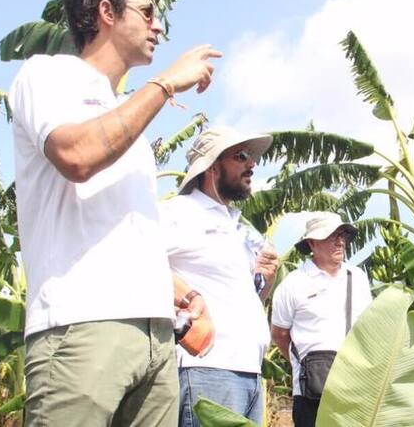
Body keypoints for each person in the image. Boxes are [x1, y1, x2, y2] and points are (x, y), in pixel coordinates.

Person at [7, 0, 221, 426]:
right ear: (106, 11)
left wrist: (176, 290)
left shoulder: (127, 121)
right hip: (80, 330)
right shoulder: (47, 74)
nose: (158, 25)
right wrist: (164, 84)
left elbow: (119, 228)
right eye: (147, 13)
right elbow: (76, 155)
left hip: (154, 340)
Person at [159, 126, 280, 426]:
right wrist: (187, 297)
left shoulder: (237, 228)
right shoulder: (178, 212)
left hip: (249, 371)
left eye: (251, 157)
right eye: (241, 156)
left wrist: (266, 282)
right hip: (205, 370)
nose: (251, 164)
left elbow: (241, 300)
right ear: (212, 166)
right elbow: (138, 259)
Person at [270, 212, 373, 427]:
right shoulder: (293, 284)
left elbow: (368, 329)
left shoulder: (358, 278)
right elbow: (279, 334)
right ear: (311, 243)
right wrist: (305, 366)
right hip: (310, 392)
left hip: (354, 387)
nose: (339, 241)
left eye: (342, 235)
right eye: (331, 236)